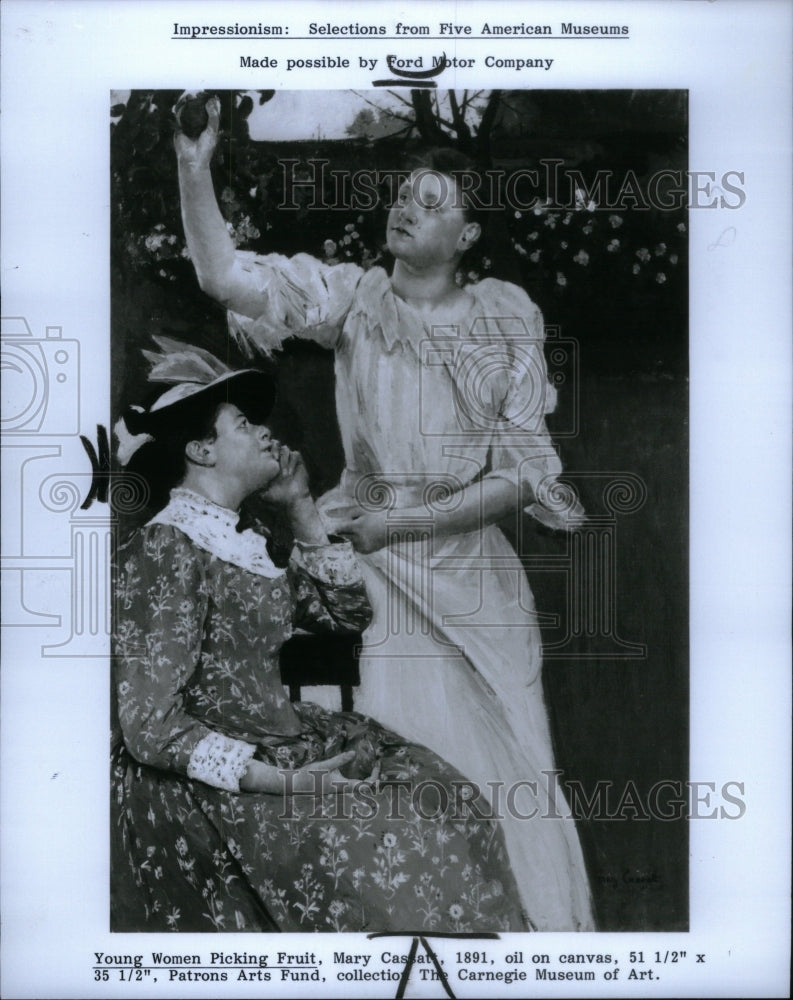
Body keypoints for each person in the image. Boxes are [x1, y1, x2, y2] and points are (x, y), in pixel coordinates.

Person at [174, 96, 595, 931]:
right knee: (385, 764)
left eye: (433, 203)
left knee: (499, 772)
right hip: (359, 559)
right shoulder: (353, 301)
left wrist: (399, 527)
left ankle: (517, 950)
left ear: (469, 235)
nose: (407, 209)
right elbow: (226, 276)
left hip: (466, 577)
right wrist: (194, 167)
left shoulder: (502, 318)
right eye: (405, 196)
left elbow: (518, 475)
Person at [111, 348, 529, 933]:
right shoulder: (166, 548)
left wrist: (302, 506)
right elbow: (148, 723)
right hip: (212, 786)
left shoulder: (247, 535)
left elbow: (345, 613)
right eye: (243, 424)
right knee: (397, 848)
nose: (264, 432)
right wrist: (290, 782)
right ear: (201, 450)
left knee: (451, 806)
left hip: (284, 744)